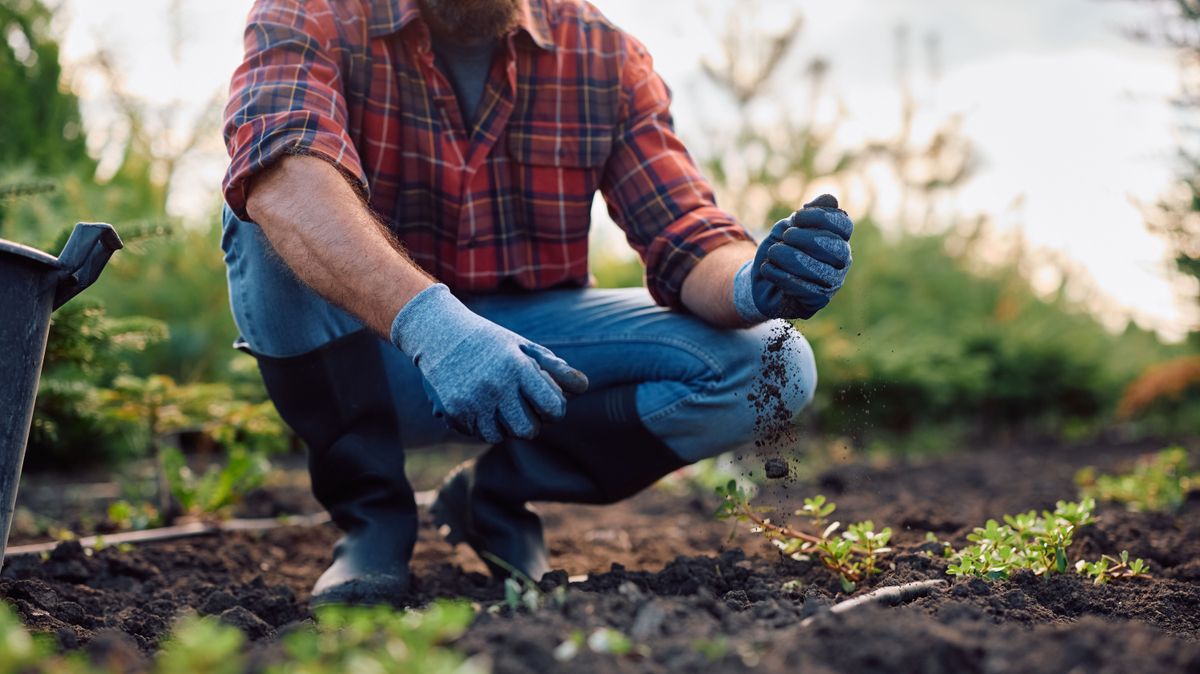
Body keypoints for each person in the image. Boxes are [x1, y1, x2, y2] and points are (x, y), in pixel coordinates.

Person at [220, 0, 853, 606]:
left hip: (536, 362)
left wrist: (751, 280)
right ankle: (373, 520)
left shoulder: (602, 53)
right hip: (370, 354)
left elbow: (685, 231)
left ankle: (493, 494)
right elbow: (281, 165)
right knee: (269, 200)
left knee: (775, 361)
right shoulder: (313, 11)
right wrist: (435, 327)